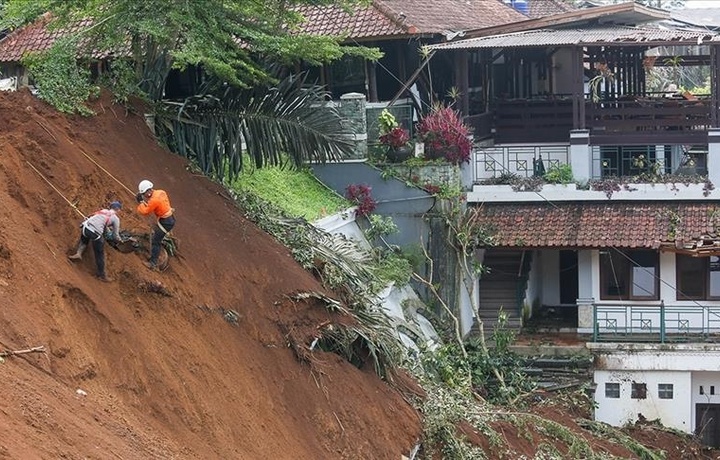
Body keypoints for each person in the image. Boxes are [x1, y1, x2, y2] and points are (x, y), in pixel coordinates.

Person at [68, 201, 123, 282]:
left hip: (85, 228)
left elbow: (91, 215)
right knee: (99, 254)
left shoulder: (103, 211)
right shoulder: (115, 219)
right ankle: (102, 275)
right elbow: (115, 235)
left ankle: (79, 253)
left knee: (85, 239)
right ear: (118, 209)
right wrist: (120, 240)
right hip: (95, 233)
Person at [136, 179, 175, 270]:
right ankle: (154, 256)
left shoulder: (154, 200)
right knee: (156, 235)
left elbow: (145, 211)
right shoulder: (161, 192)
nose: (144, 196)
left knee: (155, 241)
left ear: (149, 191)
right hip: (169, 219)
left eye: (144, 194)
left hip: (165, 222)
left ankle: (153, 263)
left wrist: (141, 202)